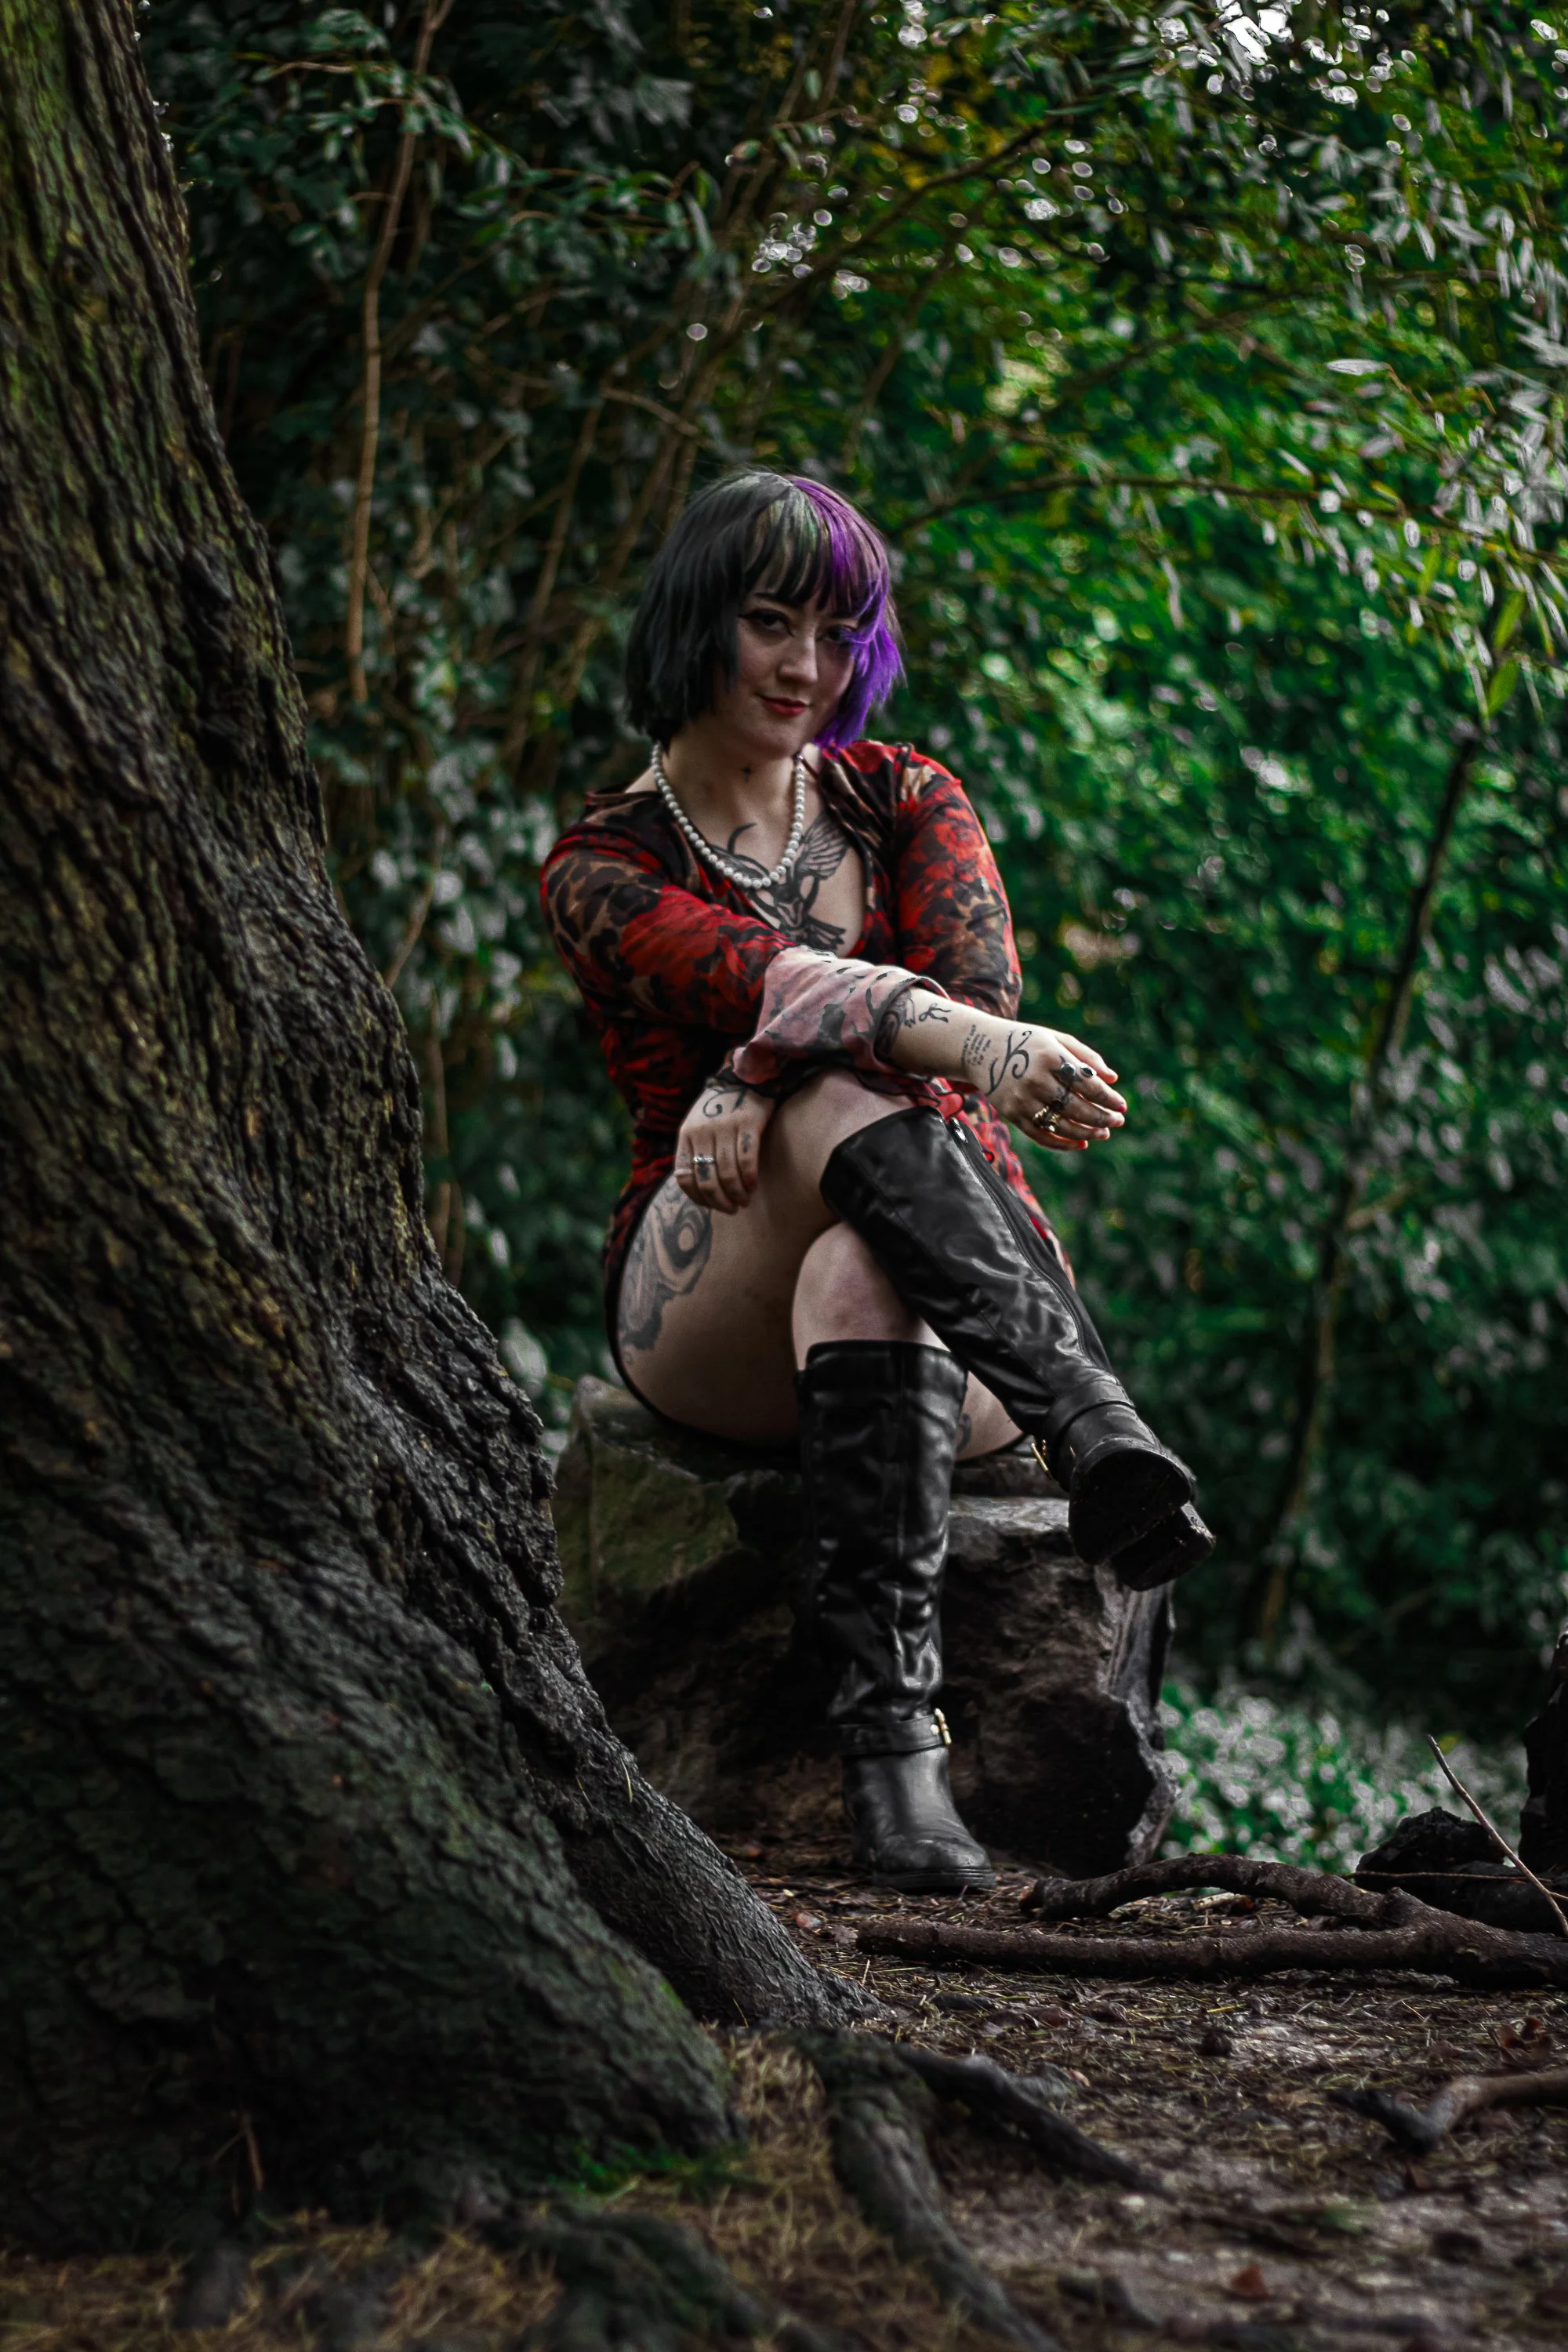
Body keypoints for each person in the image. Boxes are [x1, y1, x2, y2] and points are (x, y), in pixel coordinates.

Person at [543, 470, 1210, 1895]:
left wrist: (757, 1069)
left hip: (929, 1300)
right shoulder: (603, 864)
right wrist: (818, 1058)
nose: (806, 667)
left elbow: (958, 1007)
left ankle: (896, 1765)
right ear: (697, 623)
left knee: (868, 1251)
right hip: (708, 1293)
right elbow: (792, 985)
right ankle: (1090, 1419)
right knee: (844, 1074)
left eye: (840, 633)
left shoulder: (903, 798)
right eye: (772, 621)